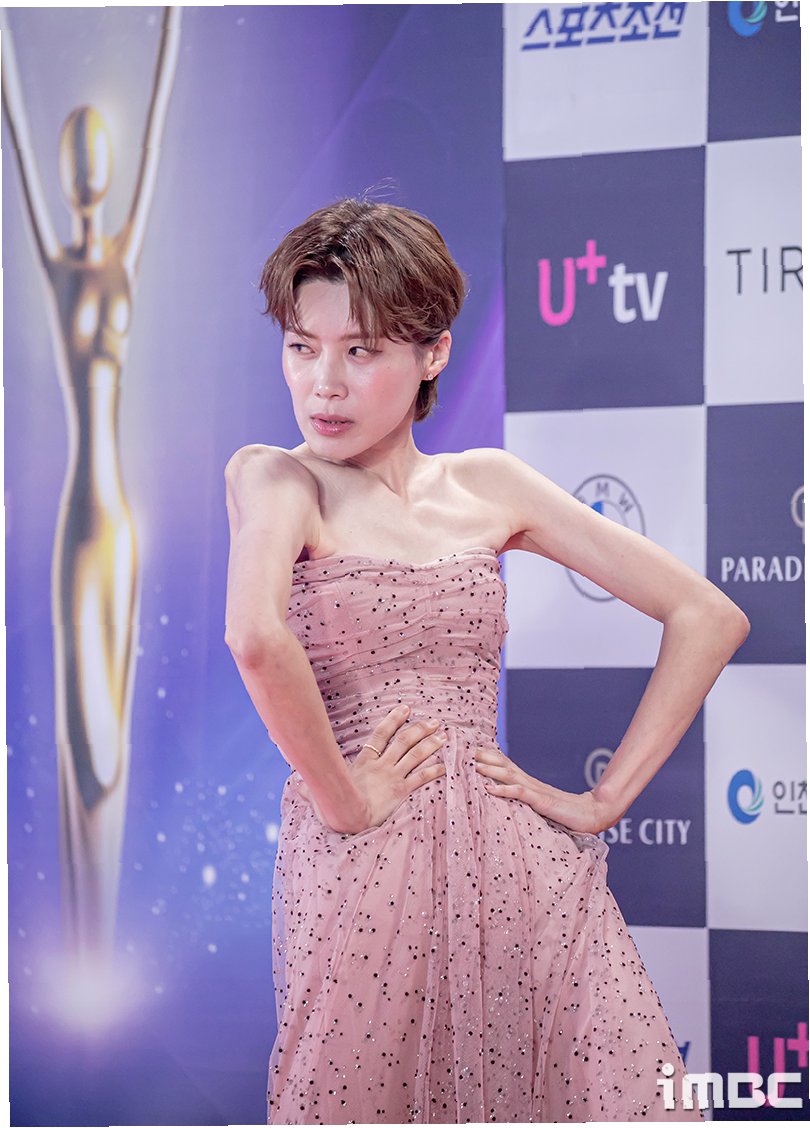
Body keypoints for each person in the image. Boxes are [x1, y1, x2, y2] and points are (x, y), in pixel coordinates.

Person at [224, 198, 749, 1124]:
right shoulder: (277, 477)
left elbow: (707, 616)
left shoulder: (489, 484)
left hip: (518, 867)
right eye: (302, 348)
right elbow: (256, 639)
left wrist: (602, 802)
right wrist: (342, 798)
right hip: (370, 868)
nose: (324, 385)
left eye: (361, 350)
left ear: (433, 353)